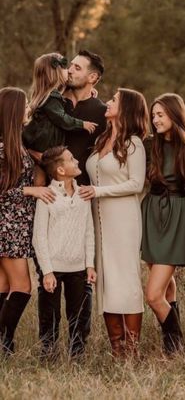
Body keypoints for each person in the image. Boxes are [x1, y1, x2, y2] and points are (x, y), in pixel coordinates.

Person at [79, 88, 149, 358]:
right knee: (105, 281)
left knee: (126, 280)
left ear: (127, 108)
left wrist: (99, 192)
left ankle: (132, 351)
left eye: (114, 100)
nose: (107, 103)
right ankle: (117, 351)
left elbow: (136, 183)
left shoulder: (134, 143)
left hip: (123, 220)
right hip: (98, 220)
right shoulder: (102, 139)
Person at [141, 93, 185, 355]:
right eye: (153, 115)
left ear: (175, 115)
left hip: (176, 213)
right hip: (152, 211)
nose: (155, 120)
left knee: (153, 295)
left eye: (161, 115)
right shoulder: (148, 145)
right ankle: (170, 347)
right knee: (165, 284)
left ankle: (176, 344)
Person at [0, 87, 55, 354]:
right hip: (7, 225)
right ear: (13, 111)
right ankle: (4, 342)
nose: (28, 111)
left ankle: (4, 347)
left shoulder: (15, 145)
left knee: (4, 286)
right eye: (24, 107)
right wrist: (31, 190)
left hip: (17, 224)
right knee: (22, 287)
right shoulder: (1, 148)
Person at [32, 146, 96, 359]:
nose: (77, 161)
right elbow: (39, 237)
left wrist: (90, 264)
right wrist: (47, 271)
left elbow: (89, 231)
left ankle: (77, 355)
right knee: (49, 316)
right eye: (71, 159)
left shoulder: (83, 194)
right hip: (53, 268)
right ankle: (48, 355)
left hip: (78, 266)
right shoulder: (47, 196)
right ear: (60, 170)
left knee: (79, 315)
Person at [22, 52, 98, 154]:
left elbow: (64, 86)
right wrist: (82, 124)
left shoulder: (49, 94)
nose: (69, 71)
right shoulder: (52, 97)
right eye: (65, 68)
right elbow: (62, 118)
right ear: (57, 73)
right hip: (42, 146)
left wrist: (88, 90)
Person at [64, 49, 107, 185]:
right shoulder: (54, 103)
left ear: (92, 78)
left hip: (81, 191)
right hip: (46, 190)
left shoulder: (102, 112)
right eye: (70, 66)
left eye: (77, 68)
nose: (70, 70)